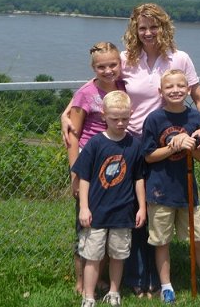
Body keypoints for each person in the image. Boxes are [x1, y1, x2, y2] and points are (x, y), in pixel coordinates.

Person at [62, 3, 200, 297]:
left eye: (154, 26)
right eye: (142, 27)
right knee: (130, 211)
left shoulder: (180, 58)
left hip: (165, 143)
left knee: (153, 212)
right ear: (135, 29)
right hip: (128, 143)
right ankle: (135, 279)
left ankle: (153, 280)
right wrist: (68, 109)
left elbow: (199, 97)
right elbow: (97, 81)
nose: (148, 33)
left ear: (164, 27)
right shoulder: (127, 58)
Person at [142, 69, 200, 303]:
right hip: (160, 191)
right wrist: (173, 146)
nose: (175, 90)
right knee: (162, 240)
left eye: (180, 86)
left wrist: (193, 145)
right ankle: (166, 286)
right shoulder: (154, 119)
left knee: (199, 236)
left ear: (188, 90)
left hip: (187, 190)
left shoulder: (195, 119)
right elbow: (148, 156)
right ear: (160, 91)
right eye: (169, 87)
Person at [71, 90, 147, 307]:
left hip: (123, 213)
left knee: (118, 255)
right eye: (115, 119)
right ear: (103, 116)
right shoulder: (95, 144)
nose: (120, 123)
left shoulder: (134, 145)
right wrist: (84, 208)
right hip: (96, 212)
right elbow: (84, 178)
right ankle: (88, 295)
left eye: (125, 118)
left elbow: (139, 179)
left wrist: (141, 207)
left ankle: (114, 292)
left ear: (131, 114)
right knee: (93, 256)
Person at [65, 41, 125, 294]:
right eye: (102, 67)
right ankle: (81, 282)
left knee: (110, 221)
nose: (108, 70)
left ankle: (100, 278)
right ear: (93, 68)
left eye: (113, 65)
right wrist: (75, 173)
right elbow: (73, 136)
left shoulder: (122, 87)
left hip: (116, 164)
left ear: (120, 64)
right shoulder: (86, 94)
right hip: (89, 166)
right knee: (87, 224)